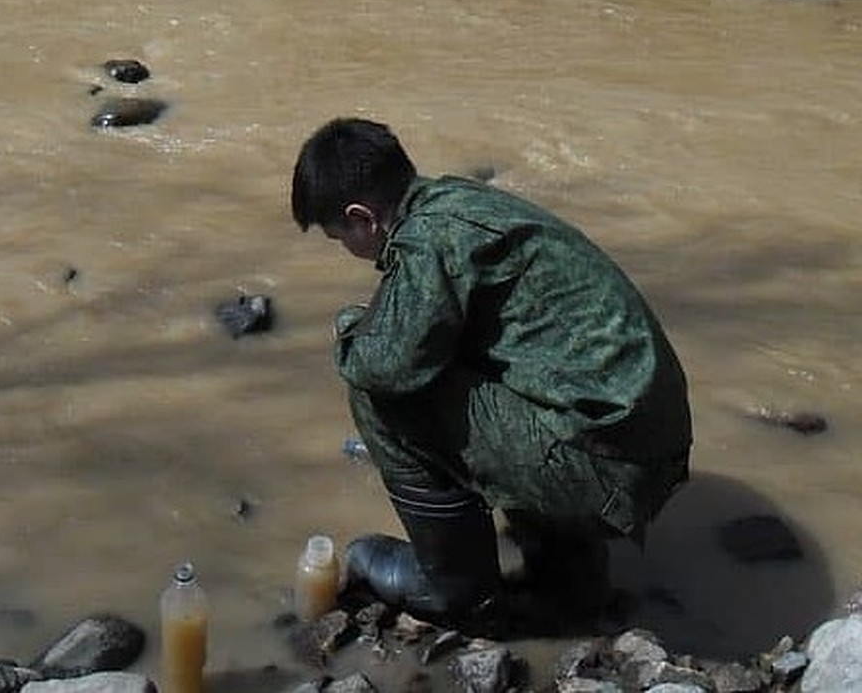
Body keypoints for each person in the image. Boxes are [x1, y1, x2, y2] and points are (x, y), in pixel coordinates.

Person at [291, 117, 692, 629]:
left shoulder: (428, 241)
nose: (344, 248)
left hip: (609, 469)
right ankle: (571, 577)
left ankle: (456, 589)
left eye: (337, 236)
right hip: (643, 445)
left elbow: (386, 367)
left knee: (379, 395)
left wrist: (348, 327)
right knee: (464, 361)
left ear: (362, 218)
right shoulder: (460, 202)